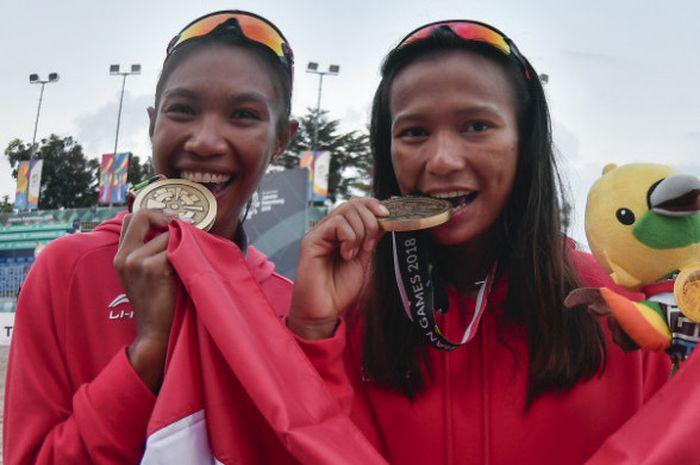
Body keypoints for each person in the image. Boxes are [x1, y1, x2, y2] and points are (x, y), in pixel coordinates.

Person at [288, 20, 672, 465]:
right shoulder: (353, 305)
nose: (443, 160)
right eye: (414, 132)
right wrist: (312, 332)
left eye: (476, 126)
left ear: (524, 142)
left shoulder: (618, 310)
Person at [3, 10, 298, 464]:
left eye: (243, 115)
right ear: (151, 121)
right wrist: (147, 355)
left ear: (281, 138)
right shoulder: (67, 271)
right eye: (182, 110)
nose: (205, 141)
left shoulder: (289, 307)